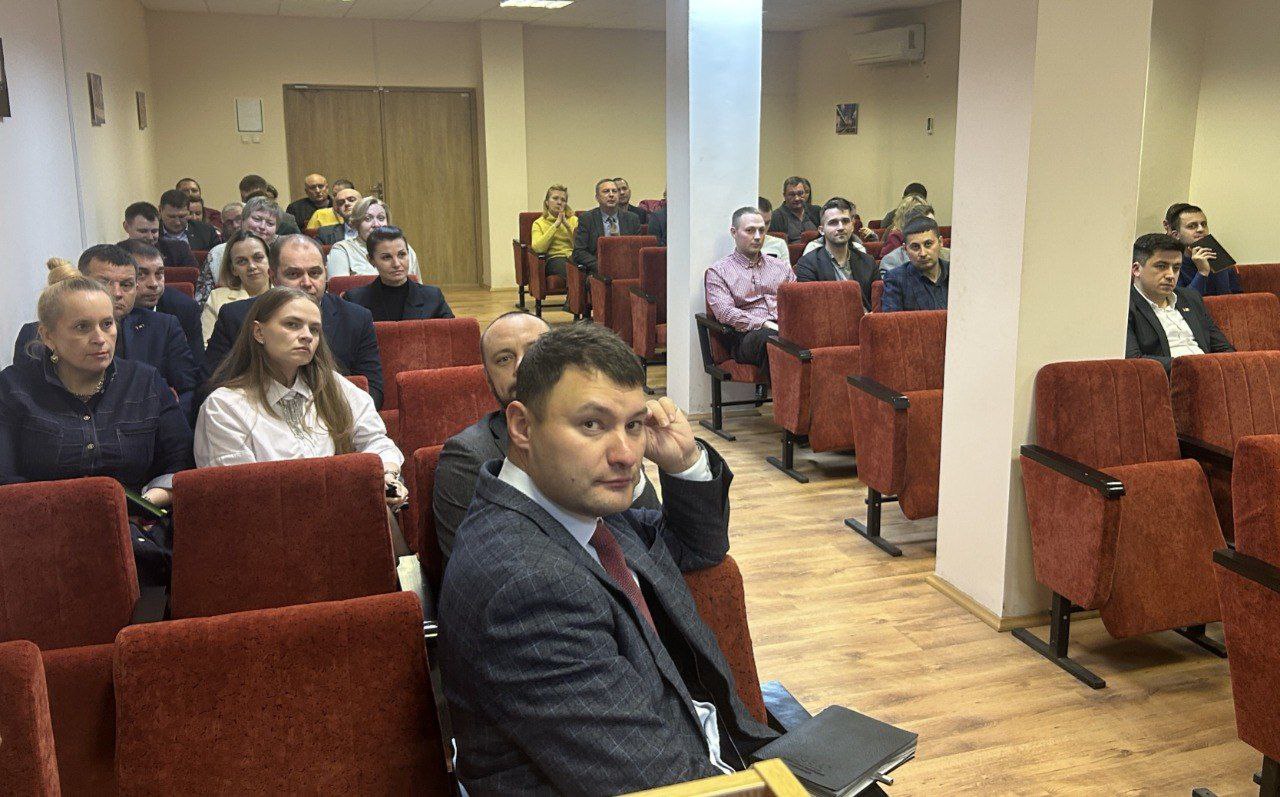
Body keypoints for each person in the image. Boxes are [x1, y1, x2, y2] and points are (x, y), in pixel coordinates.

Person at [439, 323, 777, 794]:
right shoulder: (527, 588)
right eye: (592, 425)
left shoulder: (576, 505)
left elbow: (699, 550)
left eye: (633, 425)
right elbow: (656, 784)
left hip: (710, 745)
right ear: (522, 427)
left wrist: (683, 463)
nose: (625, 455)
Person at [0, 266, 194, 585]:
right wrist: (82, 512)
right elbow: (6, 481)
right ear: (48, 336)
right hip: (44, 538)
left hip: (138, 532)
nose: (100, 339)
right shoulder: (13, 388)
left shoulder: (144, 381)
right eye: (82, 327)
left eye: (107, 324)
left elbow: (180, 462)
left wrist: (147, 501)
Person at [433, 312, 659, 560]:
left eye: (535, 351)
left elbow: (653, 537)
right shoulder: (468, 455)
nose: (522, 367)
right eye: (504, 359)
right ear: (488, 379)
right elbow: (482, 562)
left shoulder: (615, 432)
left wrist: (681, 467)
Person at [195, 286, 405, 503]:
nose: (307, 336)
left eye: (314, 329)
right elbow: (245, 496)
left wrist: (387, 475)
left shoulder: (331, 384)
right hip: (272, 519)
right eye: (292, 325)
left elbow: (375, 440)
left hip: (342, 509)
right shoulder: (224, 407)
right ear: (258, 332)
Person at [14, 245, 199, 415]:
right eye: (104, 283)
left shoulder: (164, 327)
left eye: (126, 285)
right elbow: (24, 399)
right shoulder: (36, 334)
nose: (116, 293)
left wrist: (168, 419)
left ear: (136, 287)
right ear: (81, 282)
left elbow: (188, 390)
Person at [205, 235, 384, 408]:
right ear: (273, 276)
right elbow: (212, 385)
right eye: (293, 274)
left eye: (315, 273)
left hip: (333, 418)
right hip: (258, 418)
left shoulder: (356, 318)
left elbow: (373, 391)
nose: (306, 282)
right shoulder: (237, 316)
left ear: (326, 273)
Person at [704, 206, 795, 379]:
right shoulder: (719, 271)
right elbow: (725, 312)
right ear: (734, 232)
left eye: (762, 230)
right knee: (772, 339)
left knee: (808, 335)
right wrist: (764, 323)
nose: (758, 236)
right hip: (746, 336)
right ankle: (784, 395)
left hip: (783, 328)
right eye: (750, 231)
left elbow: (796, 301)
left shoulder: (781, 267)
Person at [1127, 232, 1234, 372]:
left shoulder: (1190, 298)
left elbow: (1225, 349)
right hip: (1167, 378)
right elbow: (1134, 361)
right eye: (1161, 266)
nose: (1170, 275)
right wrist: (1195, 367)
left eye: (1176, 268)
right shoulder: (1125, 306)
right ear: (1136, 269)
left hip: (1209, 374)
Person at [119, 238, 205, 377]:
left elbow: (194, 374)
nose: (154, 284)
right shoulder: (108, 310)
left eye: (159, 273)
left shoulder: (184, 308)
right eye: (141, 275)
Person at [343, 227, 451, 322]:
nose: (396, 264)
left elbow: (451, 336)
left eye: (401, 254)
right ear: (371, 260)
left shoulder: (433, 297)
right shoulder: (354, 300)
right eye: (386, 257)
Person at [794, 198, 880, 311]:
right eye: (833, 223)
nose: (840, 227)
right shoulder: (807, 264)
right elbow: (812, 308)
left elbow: (878, 303)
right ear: (821, 230)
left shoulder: (868, 262)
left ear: (852, 226)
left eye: (845, 221)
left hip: (865, 320)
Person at [197, 196, 281, 303]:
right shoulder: (217, 253)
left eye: (270, 223)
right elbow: (203, 299)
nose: (262, 227)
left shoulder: (284, 252)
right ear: (243, 220)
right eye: (257, 219)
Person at [202, 231, 272, 343]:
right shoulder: (217, 298)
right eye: (242, 261)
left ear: (270, 260)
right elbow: (206, 344)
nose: (252, 266)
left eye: (258, 257)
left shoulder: (287, 294)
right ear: (233, 269)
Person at [328, 197, 421, 278]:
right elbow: (339, 289)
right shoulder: (342, 249)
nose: (376, 224)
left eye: (381, 218)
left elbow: (417, 286)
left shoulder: (403, 248)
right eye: (368, 219)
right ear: (356, 223)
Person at [1163, 202, 1241, 296]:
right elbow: (1182, 302)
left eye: (1204, 224)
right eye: (1192, 226)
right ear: (1176, 235)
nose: (1201, 229)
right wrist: (1202, 272)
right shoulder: (1172, 265)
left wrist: (1219, 270)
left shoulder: (1220, 258)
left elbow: (1237, 299)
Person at [573, 178, 642, 276]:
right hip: (598, 272)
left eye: (614, 191)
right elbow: (579, 252)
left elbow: (637, 250)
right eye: (606, 191)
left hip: (627, 270)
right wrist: (602, 267)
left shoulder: (632, 219)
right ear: (597, 197)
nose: (611, 195)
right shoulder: (587, 219)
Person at [881, 217, 949, 312]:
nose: (923, 253)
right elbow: (892, 320)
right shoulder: (896, 279)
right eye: (915, 247)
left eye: (928, 244)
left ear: (940, 242)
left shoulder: (956, 273)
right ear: (905, 249)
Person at [122, 201, 198, 267]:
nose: (150, 237)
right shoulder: (117, 254)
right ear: (126, 227)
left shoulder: (179, 250)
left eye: (154, 231)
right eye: (143, 231)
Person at [878, 205, 951, 272]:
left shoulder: (951, 257)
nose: (923, 253)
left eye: (932, 224)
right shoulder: (892, 261)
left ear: (940, 242)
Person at [530, 184, 578, 279]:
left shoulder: (574, 220)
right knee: (570, 271)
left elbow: (579, 246)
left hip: (574, 256)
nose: (559, 202)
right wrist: (555, 225)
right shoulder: (539, 223)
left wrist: (567, 226)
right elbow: (538, 248)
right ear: (547, 202)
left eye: (563, 200)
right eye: (555, 198)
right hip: (554, 259)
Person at [768, 176, 818, 243]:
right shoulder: (776, 217)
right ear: (784, 195)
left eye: (800, 193)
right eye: (791, 194)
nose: (797, 198)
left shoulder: (816, 211)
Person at [756, 197, 791, 263]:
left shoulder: (779, 244)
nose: (763, 227)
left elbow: (787, 269)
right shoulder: (740, 244)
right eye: (759, 222)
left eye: (767, 223)